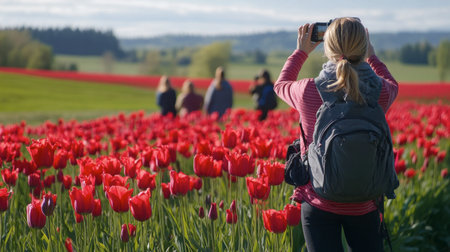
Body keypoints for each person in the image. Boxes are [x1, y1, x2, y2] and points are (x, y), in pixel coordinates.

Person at [274, 18, 398, 252]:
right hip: (366, 203)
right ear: (363, 46)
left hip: (318, 201)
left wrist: (301, 51)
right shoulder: (380, 92)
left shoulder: (308, 90)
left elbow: (281, 85)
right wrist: (371, 55)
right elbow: (393, 83)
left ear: (327, 48)